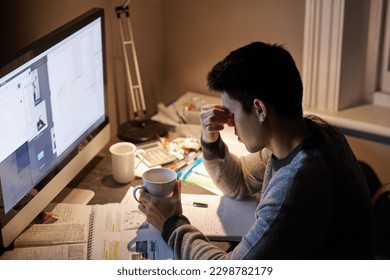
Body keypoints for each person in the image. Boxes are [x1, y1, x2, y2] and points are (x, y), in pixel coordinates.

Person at [137, 41, 374, 259]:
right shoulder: (309, 131)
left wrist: (171, 225)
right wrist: (210, 141)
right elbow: (239, 182)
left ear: (260, 109)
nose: (228, 122)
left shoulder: (297, 184)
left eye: (232, 112)